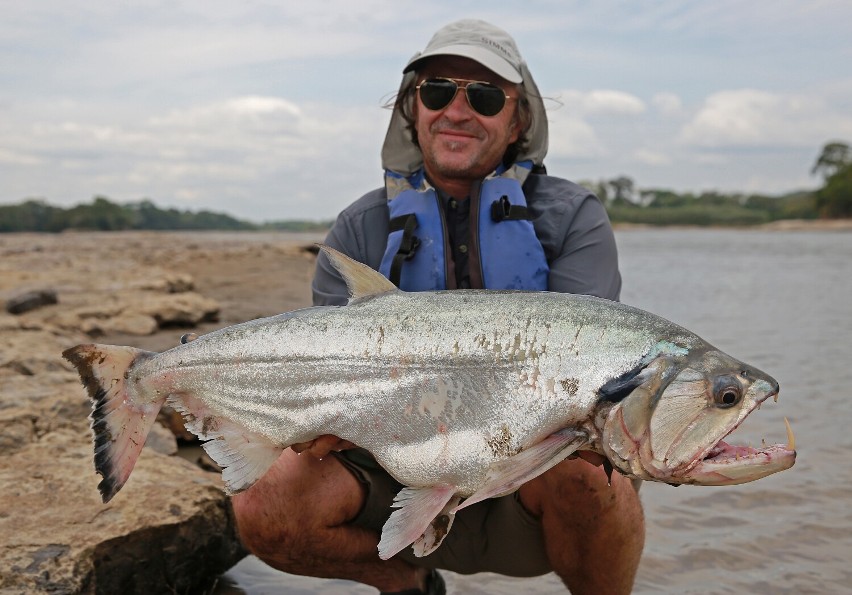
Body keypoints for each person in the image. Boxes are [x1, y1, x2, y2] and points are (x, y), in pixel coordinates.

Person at [232, 19, 644, 595]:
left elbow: (592, 384)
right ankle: (405, 585)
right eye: (436, 91)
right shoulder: (357, 227)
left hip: (530, 471)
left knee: (595, 473)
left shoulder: (574, 218)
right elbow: (326, 387)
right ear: (411, 109)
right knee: (263, 505)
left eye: (483, 96)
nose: (457, 110)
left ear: (518, 118)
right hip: (388, 469)